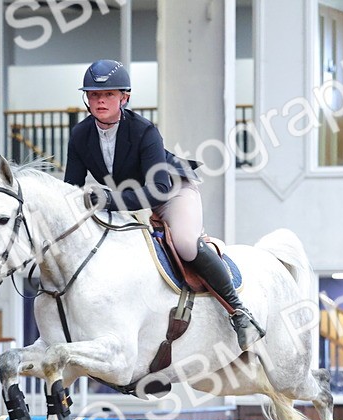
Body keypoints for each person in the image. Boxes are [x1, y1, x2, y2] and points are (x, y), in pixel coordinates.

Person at [63, 59, 264, 351]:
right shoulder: (80, 135)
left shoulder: (145, 131)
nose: (100, 100)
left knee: (185, 244)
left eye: (108, 94)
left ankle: (239, 311)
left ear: (124, 97)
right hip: (130, 200)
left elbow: (157, 191)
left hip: (170, 192)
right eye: (94, 95)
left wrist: (107, 199)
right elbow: (72, 187)